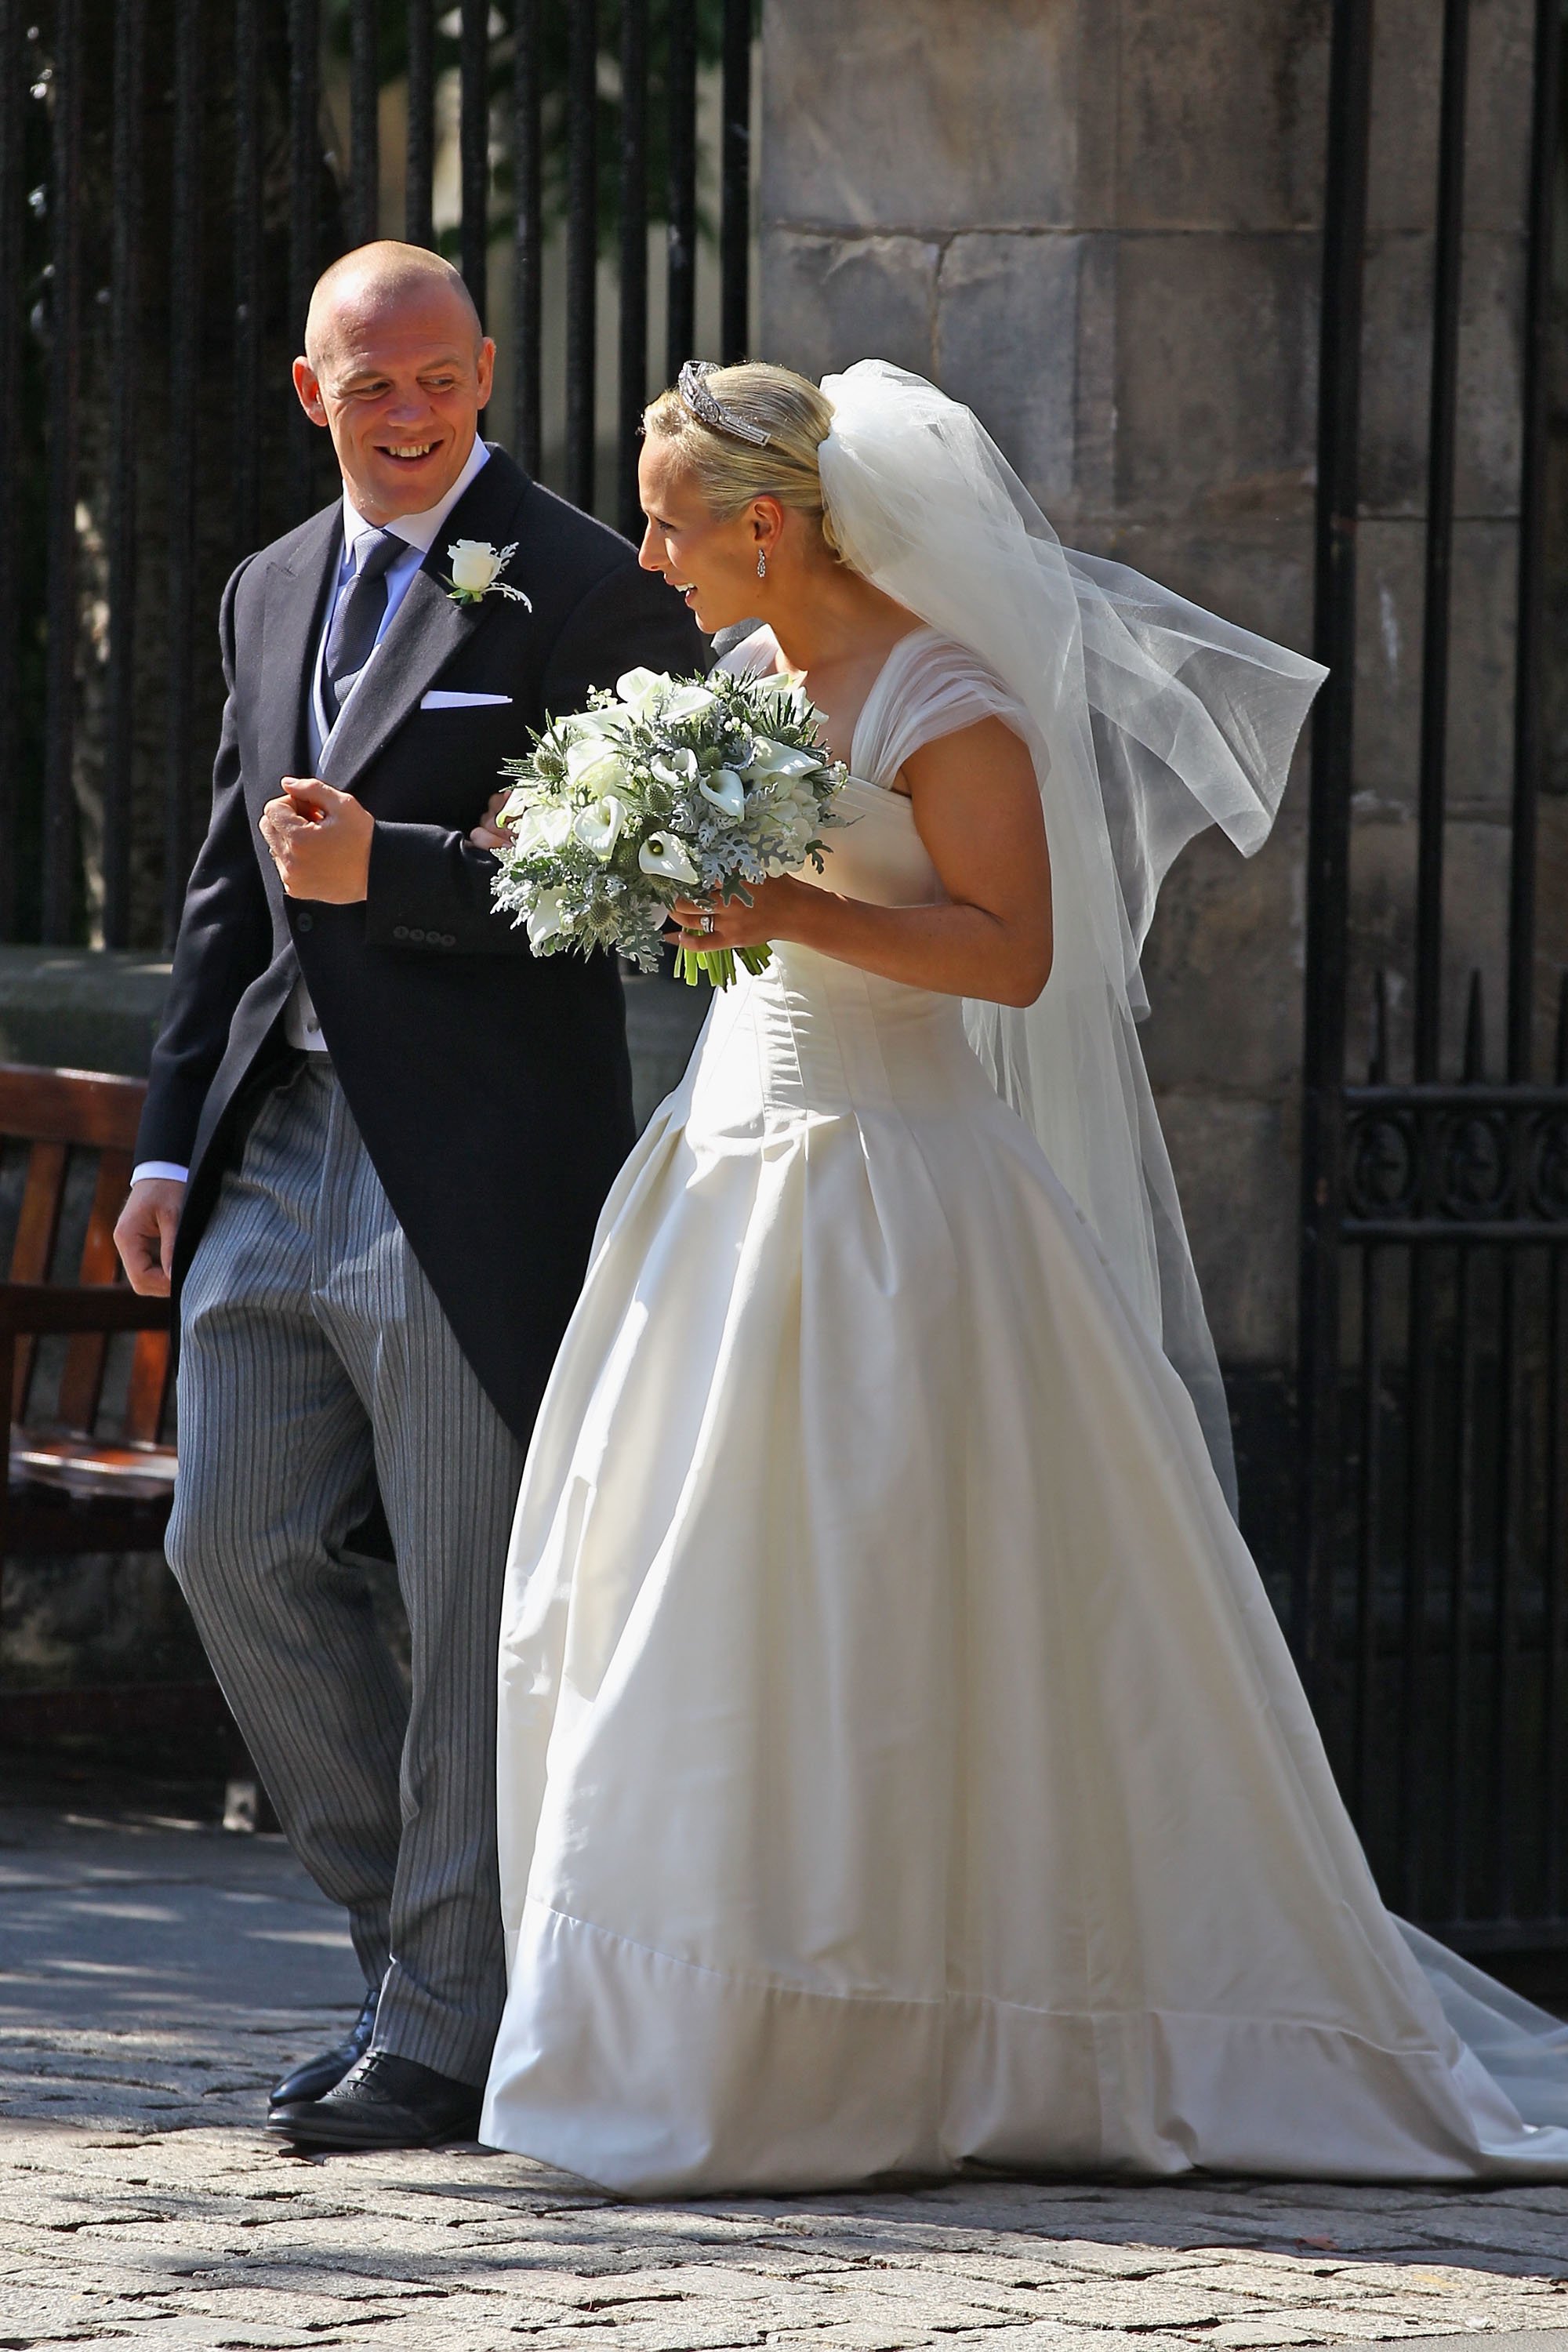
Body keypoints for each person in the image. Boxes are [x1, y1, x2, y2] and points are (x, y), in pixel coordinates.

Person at [479, 358, 1568, 2195]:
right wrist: (633, 878)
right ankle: (687, 2039)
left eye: (668, 517)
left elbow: (1011, 959)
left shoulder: (946, 697)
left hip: (896, 1199)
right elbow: (736, 920)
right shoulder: (744, 683)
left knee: (902, 1603)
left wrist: (795, 912)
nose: (645, 550)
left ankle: (935, 2034)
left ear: (765, 521)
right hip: (725, 1177)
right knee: (679, 1584)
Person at [112, 241, 703, 2154]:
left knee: (461, 1598)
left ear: (485, 372)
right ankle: (411, 1950)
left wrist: (412, 872)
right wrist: (165, 1145)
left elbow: (641, 887)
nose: (411, 411)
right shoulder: (268, 583)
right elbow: (227, 879)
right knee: (232, 1546)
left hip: (469, 1164)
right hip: (274, 1152)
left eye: (440, 378)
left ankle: (446, 2026)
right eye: (372, 384)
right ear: (313, 393)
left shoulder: (583, 584)